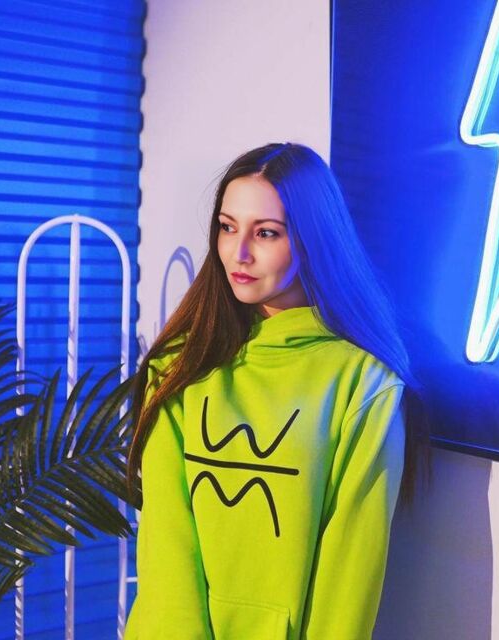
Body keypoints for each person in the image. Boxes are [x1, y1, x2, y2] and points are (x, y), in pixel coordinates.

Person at [124, 142, 429, 639]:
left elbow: (350, 573)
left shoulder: (363, 383)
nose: (238, 252)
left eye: (266, 232)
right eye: (227, 227)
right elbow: (166, 548)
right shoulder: (180, 365)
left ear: (312, 239)